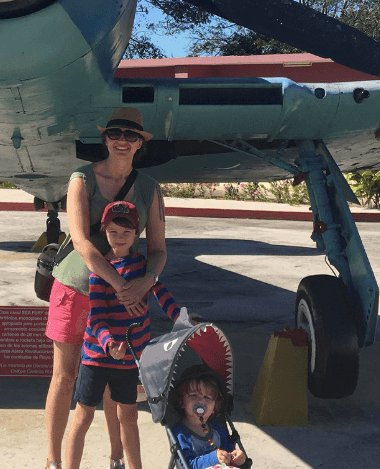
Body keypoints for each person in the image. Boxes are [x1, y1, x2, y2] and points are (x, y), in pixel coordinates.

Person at [44, 108, 168, 469]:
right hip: (77, 288)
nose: (122, 141)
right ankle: (53, 461)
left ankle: (116, 457)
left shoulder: (150, 189)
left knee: (119, 377)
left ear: (140, 143)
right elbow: (82, 242)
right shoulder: (81, 179)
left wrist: (146, 281)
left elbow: (159, 251)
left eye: (131, 136)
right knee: (65, 377)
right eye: (116, 133)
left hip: (127, 297)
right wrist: (121, 286)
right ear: (105, 138)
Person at [63, 201, 183, 469]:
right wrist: (107, 342)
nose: (119, 238)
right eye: (114, 232)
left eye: (126, 233)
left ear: (136, 234)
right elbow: (96, 316)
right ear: (105, 231)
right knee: (82, 417)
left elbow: (161, 293)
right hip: (97, 358)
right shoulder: (99, 272)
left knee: (128, 416)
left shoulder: (143, 269)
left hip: (129, 360)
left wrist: (180, 317)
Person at [170, 371, 247, 468]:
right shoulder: (180, 433)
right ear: (181, 402)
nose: (201, 401)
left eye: (207, 397)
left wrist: (236, 457)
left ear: (214, 408)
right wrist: (213, 458)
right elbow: (186, 465)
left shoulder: (217, 430)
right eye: (194, 395)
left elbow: (229, 453)